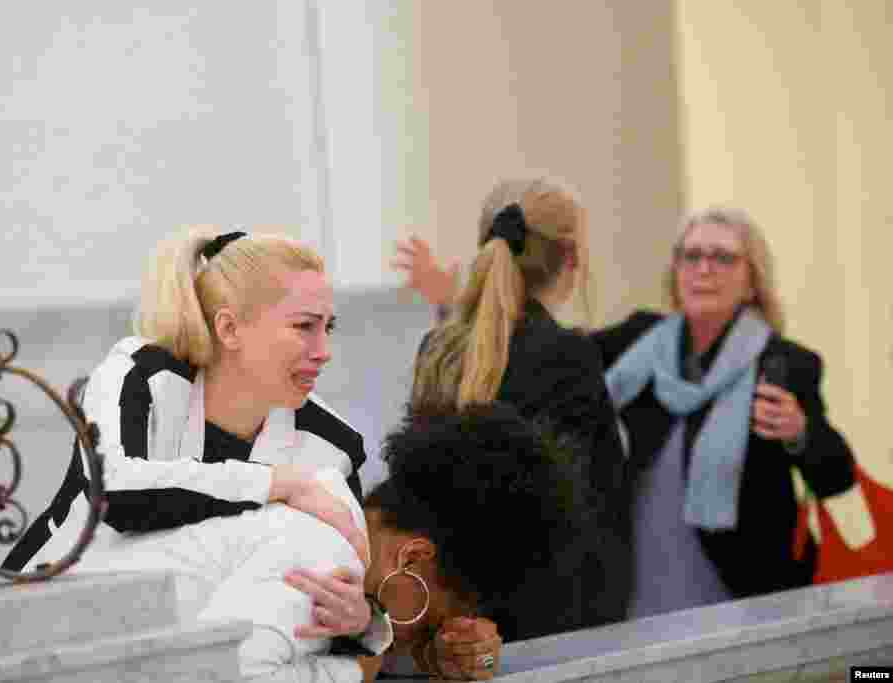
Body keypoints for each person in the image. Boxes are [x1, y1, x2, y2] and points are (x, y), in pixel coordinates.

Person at [3, 227, 381, 653]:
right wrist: (281, 485)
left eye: (329, 327)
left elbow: (341, 587)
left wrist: (361, 622)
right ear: (229, 329)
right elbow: (116, 495)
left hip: (182, 643)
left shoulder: (333, 444)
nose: (324, 349)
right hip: (39, 615)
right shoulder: (141, 375)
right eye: (305, 327)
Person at [59, 402, 576, 681]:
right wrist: (363, 666)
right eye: (441, 613)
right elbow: (228, 674)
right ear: (415, 557)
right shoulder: (324, 553)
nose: (438, 629)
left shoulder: (329, 510)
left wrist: (425, 658)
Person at [392, 178, 630, 640]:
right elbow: (599, 511)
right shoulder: (567, 358)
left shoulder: (438, 351)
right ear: (572, 259)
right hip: (550, 629)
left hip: (451, 624)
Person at [593, 206, 856, 617]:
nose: (704, 269)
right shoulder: (636, 344)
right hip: (637, 589)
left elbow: (837, 476)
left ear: (752, 280)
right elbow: (559, 360)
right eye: (691, 255)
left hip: (743, 594)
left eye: (723, 257)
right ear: (676, 270)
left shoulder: (784, 363)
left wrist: (800, 433)